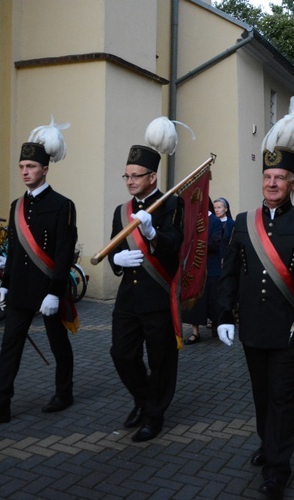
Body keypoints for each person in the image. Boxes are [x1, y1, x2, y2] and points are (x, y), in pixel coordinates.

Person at [217, 96, 294, 499]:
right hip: (252, 326)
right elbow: (229, 270)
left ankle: (278, 466)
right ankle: (268, 444)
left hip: (290, 330)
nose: (272, 183)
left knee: (282, 395)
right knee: (261, 393)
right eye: (267, 176)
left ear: (293, 183)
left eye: (280, 177)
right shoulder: (243, 221)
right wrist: (224, 316)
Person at [0, 119, 78, 423]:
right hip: (19, 288)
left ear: (45, 169)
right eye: (21, 166)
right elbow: (15, 250)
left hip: (47, 290)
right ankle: (0, 403)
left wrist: (55, 292)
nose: (25, 171)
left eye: (31, 166)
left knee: (58, 343)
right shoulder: (16, 205)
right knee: (9, 346)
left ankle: (64, 391)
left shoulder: (62, 205)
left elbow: (63, 253)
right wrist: (5, 284)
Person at [108, 117, 185, 442]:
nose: (129, 181)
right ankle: (143, 398)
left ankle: (154, 415)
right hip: (129, 298)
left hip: (158, 296)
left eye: (135, 176)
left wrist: (153, 233)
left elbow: (175, 245)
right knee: (122, 353)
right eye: (126, 175)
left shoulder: (172, 204)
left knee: (161, 359)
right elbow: (113, 244)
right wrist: (116, 260)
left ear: (152, 176)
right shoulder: (121, 210)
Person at [182, 202, 223, 344]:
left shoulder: (215, 222)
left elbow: (215, 243)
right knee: (195, 301)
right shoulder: (192, 221)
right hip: (195, 267)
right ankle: (195, 332)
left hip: (211, 268)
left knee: (213, 299)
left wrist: (197, 243)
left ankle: (216, 324)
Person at [213, 197, 235, 264]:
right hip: (213, 258)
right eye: (214, 208)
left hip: (227, 258)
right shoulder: (211, 223)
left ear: (225, 209)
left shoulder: (232, 224)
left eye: (219, 207)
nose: (216, 210)